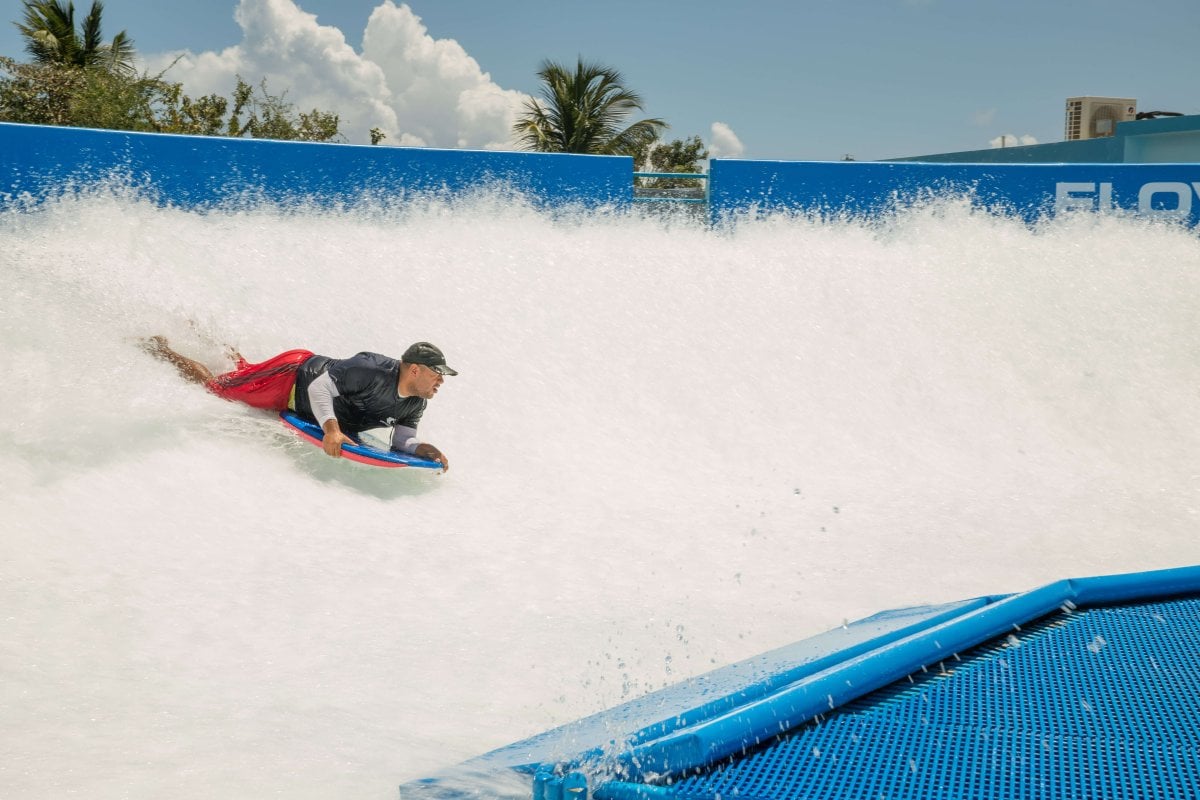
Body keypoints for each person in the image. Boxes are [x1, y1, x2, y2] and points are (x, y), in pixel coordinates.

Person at [141, 336, 456, 471]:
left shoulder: (416, 401)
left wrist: (422, 450)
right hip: (291, 379)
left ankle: (217, 344)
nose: (441, 381)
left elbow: (402, 438)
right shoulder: (370, 368)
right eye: (437, 374)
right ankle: (161, 348)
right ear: (414, 369)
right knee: (216, 388)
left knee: (243, 371)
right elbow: (320, 388)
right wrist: (331, 430)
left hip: (297, 391)